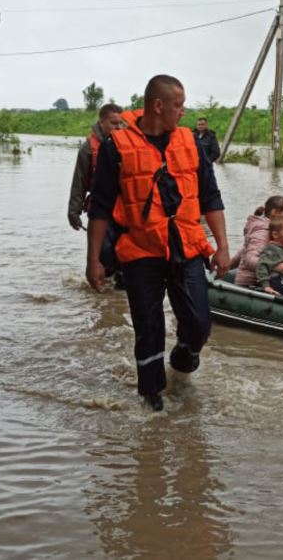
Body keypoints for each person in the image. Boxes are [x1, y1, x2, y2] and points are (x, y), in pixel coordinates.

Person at [86, 75, 231, 411]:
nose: (183, 112)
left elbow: (211, 196)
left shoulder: (191, 142)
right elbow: (101, 208)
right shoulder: (116, 147)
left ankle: (183, 357)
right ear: (158, 105)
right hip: (140, 251)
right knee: (148, 328)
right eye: (178, 105)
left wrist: (222, 245)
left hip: (187, 246)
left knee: (198, 324)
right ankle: (152, 402)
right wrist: (93, 259)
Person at [69, 103, 125, 277]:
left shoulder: (127, 144)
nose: (119, 128)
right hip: (102, 209)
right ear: (102, 122)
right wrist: (74, 212)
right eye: (114, 124)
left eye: (121, 124)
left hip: (125, 209)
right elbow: (79, 181)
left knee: (126, 254)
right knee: (105, 253)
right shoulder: (88, 148)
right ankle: (104, 296)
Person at [229, 195, 283, 287]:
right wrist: (277, 267)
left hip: (266, 279)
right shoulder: (263, 231)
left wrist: (228, 266)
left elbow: (244, 252)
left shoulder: (274, 230)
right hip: (252, 283)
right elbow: (249, 258)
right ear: (274, 212)